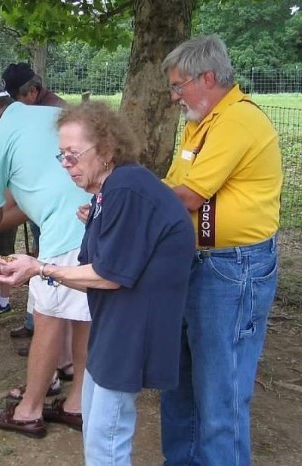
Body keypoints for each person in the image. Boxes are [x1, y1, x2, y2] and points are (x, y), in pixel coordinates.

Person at [0, 101, 196, 464]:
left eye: (73, 155)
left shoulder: (127, 189)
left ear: (108, 150)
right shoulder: (110, 193)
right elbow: (98, 274)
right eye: (61, 156)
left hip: (132, 330)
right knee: (99, 431)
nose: (66, 165)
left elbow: (109, 276)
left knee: (107, 439)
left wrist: (40, 268)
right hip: (115, 327)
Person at [160, 35, 283, 466]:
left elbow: (188, 196)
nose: (175, 96)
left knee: (220, 394)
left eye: (179, 86)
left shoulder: (236, 122)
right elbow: (172, 188)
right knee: (180, 385)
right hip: (197, 263)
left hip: (233, 270)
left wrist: (123, 194)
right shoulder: (200, 123)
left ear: (206, 77)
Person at [0, 85, 92, 438]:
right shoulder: (50, 114)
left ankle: (28, 411)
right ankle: (78, 405)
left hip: (63, 232)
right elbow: (24, 205)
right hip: (96, 220)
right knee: (85, 317)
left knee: (48, 319)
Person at [1, 62, 68, 364]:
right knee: (38, 260)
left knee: (49, 265)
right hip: (40, 197)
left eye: (19, 99)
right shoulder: (35, 110)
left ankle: (48, 337)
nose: (17, 107)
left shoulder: (57, 113)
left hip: (57, 203)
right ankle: (34, 325)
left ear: (32, 91)